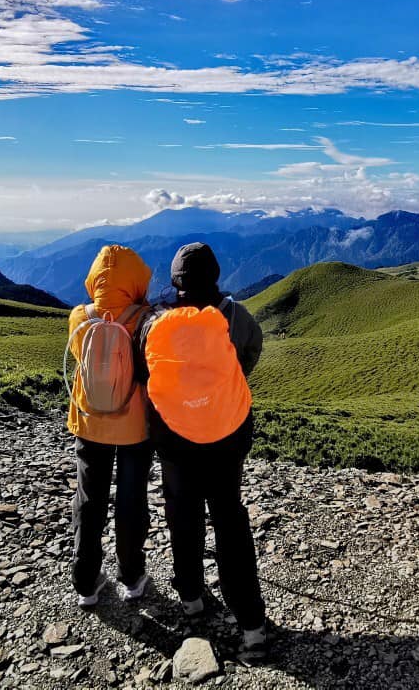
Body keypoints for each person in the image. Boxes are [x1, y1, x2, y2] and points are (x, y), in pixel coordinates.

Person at [136, 241, 268, 653]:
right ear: (215, 274)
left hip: (174, 437)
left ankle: (191, 599)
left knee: (182, 511)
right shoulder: (234, 315)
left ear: (175, 280)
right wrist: (219, 387)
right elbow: (250, 354)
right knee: (229, 516)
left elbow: (145, 372)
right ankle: (252, 626)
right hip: (228, 431)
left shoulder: (153, 322)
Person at [65, 244, 155, 608]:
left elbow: (80, 359)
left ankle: (86, 581)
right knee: (131, 499)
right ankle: (132, 576)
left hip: (89, 422)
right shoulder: (146, 319)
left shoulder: (79, 318)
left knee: (89, 498)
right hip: (135, 426)